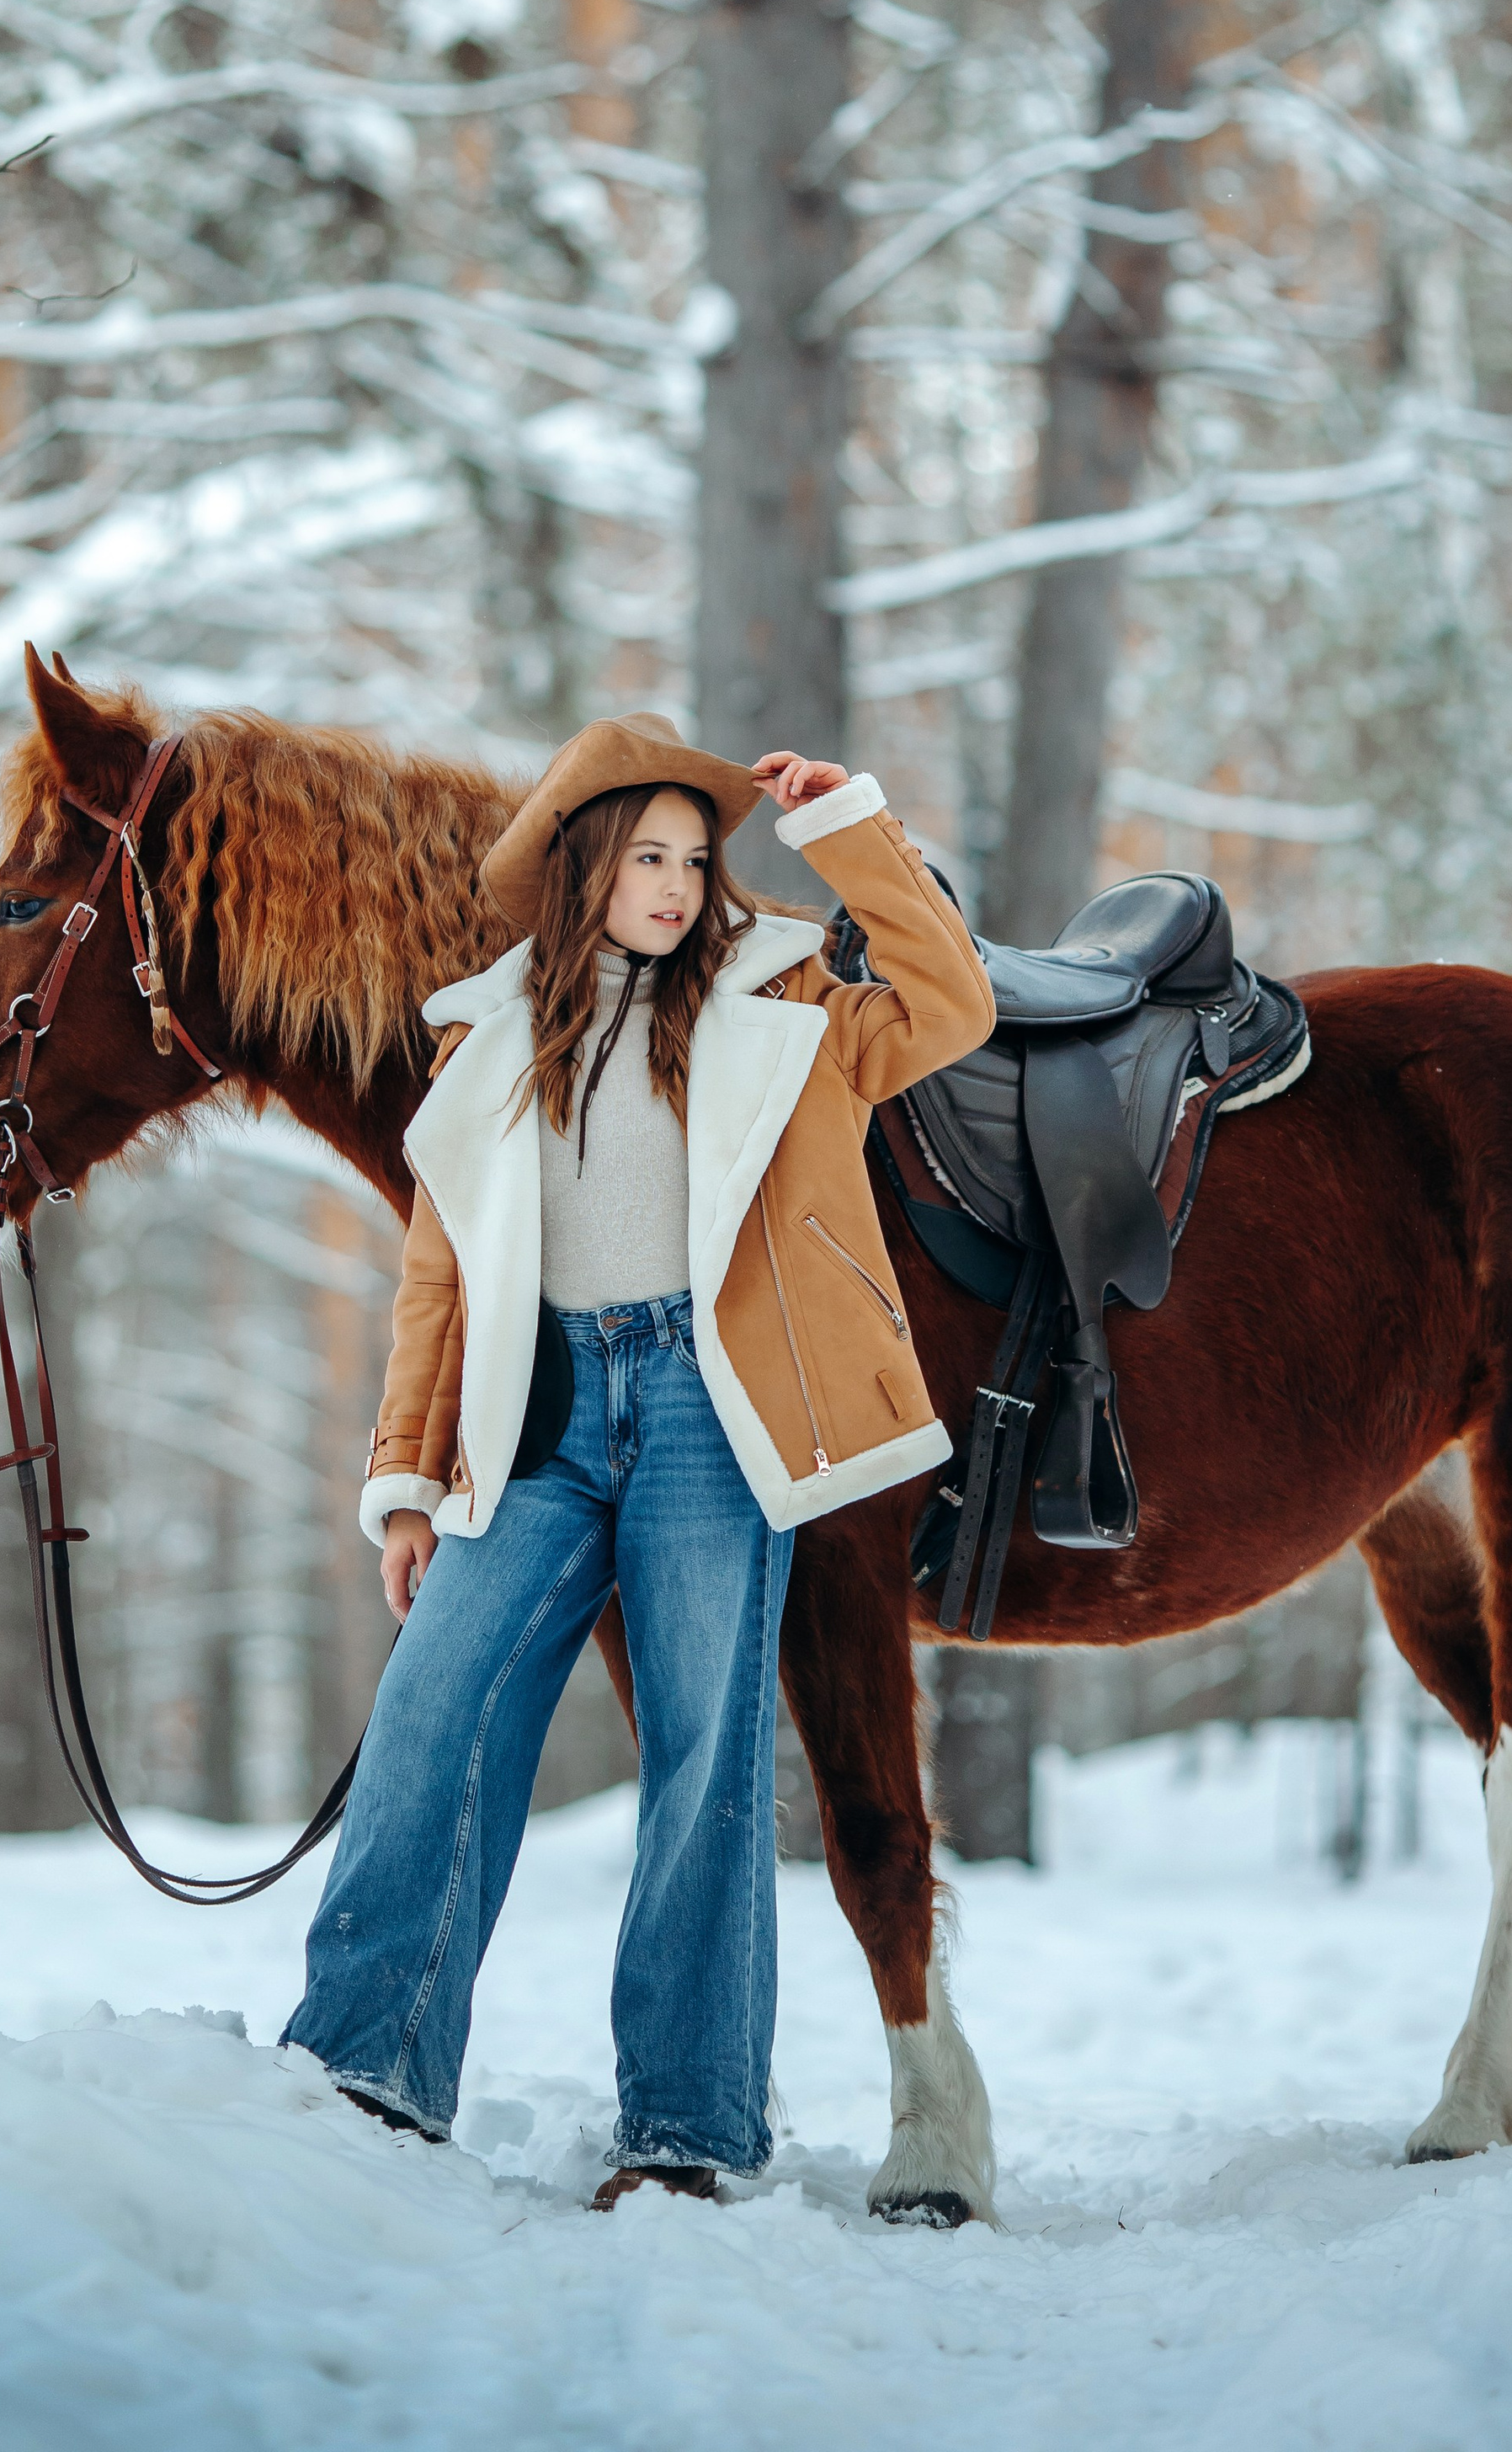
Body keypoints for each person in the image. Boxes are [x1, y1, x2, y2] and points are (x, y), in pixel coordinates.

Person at [281, 713, 994, 2205]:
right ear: (583, 866)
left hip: (701, 1408)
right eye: (648, 855)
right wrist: (408, 1483)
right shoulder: (481, 1038)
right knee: (431, 1715)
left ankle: (687, 2128)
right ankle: (364, 2071)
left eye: (694, 857)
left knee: (704, 1760)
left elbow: (952, 1003)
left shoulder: (782, 994)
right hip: (534, 1418)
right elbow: (441, 1280)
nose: (678, 884)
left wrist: (849, 830)